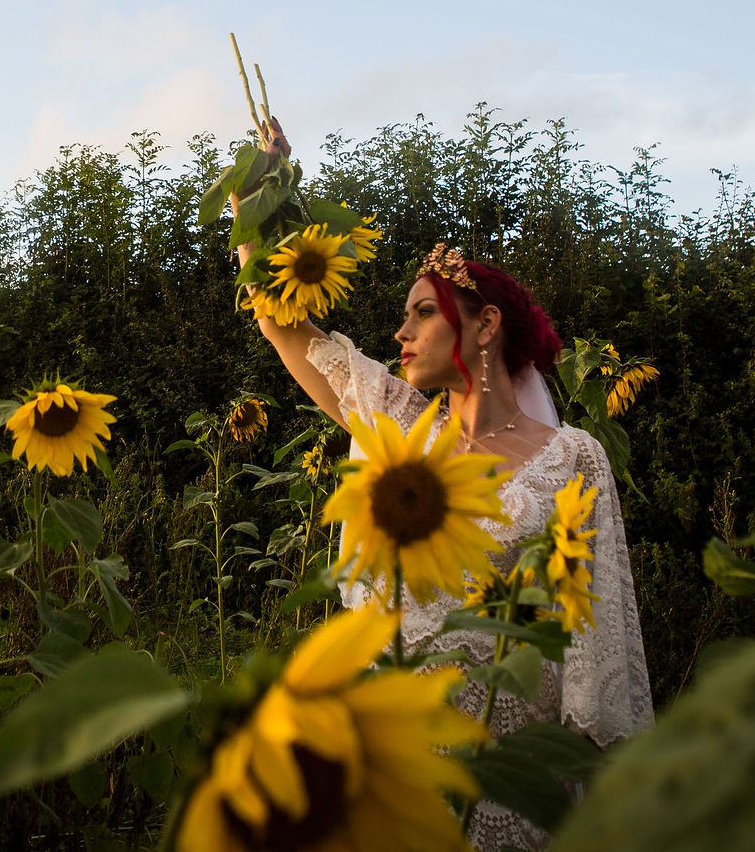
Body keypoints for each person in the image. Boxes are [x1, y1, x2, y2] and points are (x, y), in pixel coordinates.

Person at [237, 122, 653, 851]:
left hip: (513, 785)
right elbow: (282, 323)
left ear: (485, 323)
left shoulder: (573, 457)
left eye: (422, 311)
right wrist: (261, 202)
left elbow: (596, 643)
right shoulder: (399, 430)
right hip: (393, 770)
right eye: (404, 315)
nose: (401, 331)